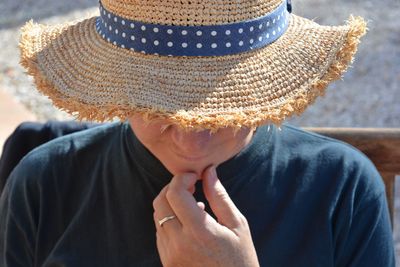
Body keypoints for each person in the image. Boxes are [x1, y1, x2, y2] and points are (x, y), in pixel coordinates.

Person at [0, 0, 395, 266]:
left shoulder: (343, 188)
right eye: (160, 105)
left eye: (221, 108)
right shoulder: (43, 184)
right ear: (116, 86)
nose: (192, 141)